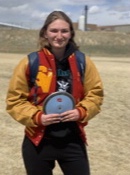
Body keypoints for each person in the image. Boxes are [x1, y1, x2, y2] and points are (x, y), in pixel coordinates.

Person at [6, 11, 104, 175]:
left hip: (72, 139)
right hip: (38, 141)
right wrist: (37, 117)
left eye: (64, 31)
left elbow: (95, 94)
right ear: (45, 32)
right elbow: (15, 101)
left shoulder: (83, 62)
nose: (59, 36)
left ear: (71, 33)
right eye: (54, 30)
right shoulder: (30, 62)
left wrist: (81, 111)